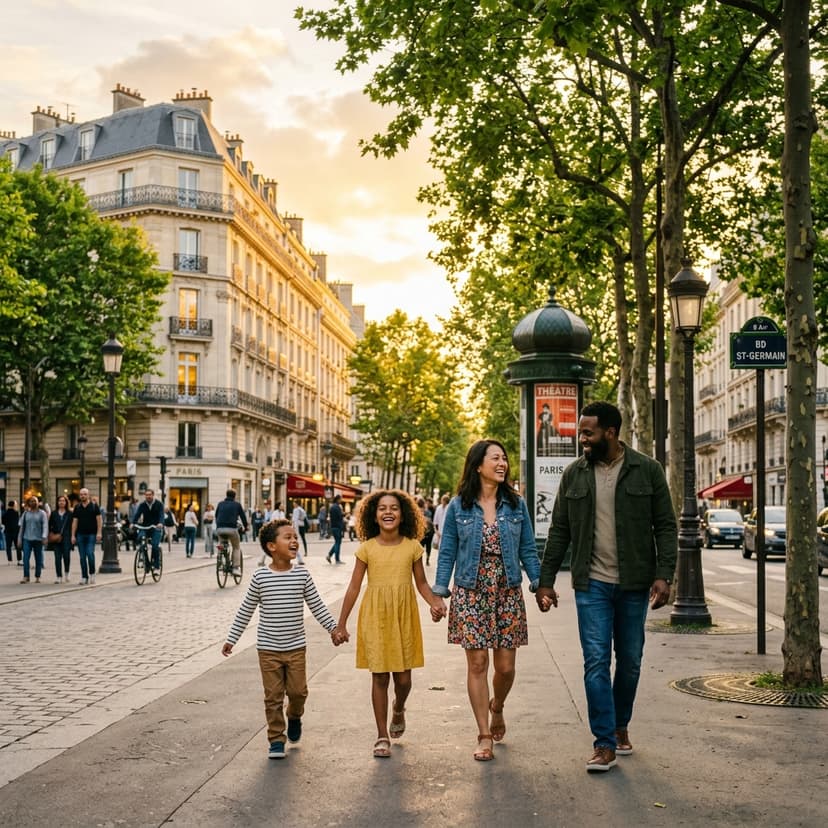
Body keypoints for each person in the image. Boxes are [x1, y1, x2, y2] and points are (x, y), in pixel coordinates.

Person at [536, 401, 677, 773]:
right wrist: (545, 581)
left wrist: (665, 574)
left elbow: (665, 525)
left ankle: (619, 724)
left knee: (629, 662)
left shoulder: (647, 470)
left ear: (610, 433)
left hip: (634, 583)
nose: (581, 438)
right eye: (581, 432)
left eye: (588, 432)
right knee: (596, 660)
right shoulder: (574, 475)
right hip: (591, 584)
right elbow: (559, 531)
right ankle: (603, 742)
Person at [432, 439, 540, 762]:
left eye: (504, 458)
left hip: (506, 590)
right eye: (495, 458)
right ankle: (483, 734)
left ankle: (498, 706)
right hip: (470, 589)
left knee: (505, 668)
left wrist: (539, 583)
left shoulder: (516, 505)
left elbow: (528, 550)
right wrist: (439, 592)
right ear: (478, 465)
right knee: (478, 664)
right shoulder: (458, 506)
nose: (502, 463)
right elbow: (447, 550)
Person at [334, 489, 445, 758]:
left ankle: (399, 707)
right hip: (376, 617)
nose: (388, 512)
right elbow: (353, 587)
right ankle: (382, 734)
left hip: (403, 617)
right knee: (380, 676)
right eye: (382, 508)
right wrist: (341, 624)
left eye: (394, 507)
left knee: (404, 680)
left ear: (403, 513)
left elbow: (421, 583)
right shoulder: (367, 548)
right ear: (373, 514)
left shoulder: (412, 546)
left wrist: (435, 602)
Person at [222, 519, 341, 759]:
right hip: (268, 649)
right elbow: (246, 610)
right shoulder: (260, 577)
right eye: (287, 537)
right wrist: (232, 639)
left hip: (296, 647)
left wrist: (333, 628)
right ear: (271, 546)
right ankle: (276, 739)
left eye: (295, 537)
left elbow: (317, 605)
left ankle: (294, 716)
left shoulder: (302, 575)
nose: (294, 541)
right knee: (273, 696)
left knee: (298, 692)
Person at [71, 487, 102, 585]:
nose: (83, 496)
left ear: (88, 495)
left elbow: (99, 520)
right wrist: (73, 535)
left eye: (84, 494)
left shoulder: (94, 506)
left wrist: (99, 532)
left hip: (91, 534)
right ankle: (84, 576)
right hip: (80, 534)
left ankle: (92, 573)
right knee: (82, 557)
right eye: (81, 494)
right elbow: (75, 522)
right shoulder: (77, 507)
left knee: (89, 553)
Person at [215, 489, 248, 577]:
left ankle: (221, 558)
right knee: (236, 547)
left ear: (226, 495)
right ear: (235, 496)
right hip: (231, 529)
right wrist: (246, 527)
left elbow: (216, 515)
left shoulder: (220, 504)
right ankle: (235, 568)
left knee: (222, 543)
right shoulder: (237, 505)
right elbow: (243, 517)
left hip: (220, 529)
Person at [134, 489, 164, 574]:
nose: (148, 496)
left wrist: (160, 523)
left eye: (150, 495)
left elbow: (161, 515)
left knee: (155, 546)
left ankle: (156, 565)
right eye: (146, 495)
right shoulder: (142, 505)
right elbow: (137, 515)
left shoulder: (159, 504)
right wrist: (133, 523)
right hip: (145, 527)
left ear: (153, 495)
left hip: (156, 527)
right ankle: (147, 564)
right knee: (142, 543)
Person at [19, 495, 48, 583]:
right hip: (27, 538)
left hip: (38, 539)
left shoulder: (42, 513)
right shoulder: (25, 514)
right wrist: (19, 539)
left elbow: (45, 526)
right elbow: (22, 527)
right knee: (25, 558)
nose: (33, 502)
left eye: (35, 501)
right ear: (29, 503)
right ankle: (26, 576)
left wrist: (44, 537)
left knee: (38, 558)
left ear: (38, 503)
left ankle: (38, 576)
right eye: (31, 501)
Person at [48, 494, 73, 583]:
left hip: (67, 538)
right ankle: (59, 576)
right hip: (56, 538)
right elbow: (50, 525)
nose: (61, 502)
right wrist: (51, 534)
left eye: (63, 501)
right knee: (57, 558)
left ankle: (67, 573)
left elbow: (73, 526)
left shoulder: (70, 513)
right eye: (60, 501)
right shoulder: (54, 513)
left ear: (66, 502)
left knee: (66, 556)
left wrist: (73, 537)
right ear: (57, 502)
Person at [326, 495, 344, 564]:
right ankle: (337, 559)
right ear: (338, 499)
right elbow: (340, 516)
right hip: (338, 526)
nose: (341, 500)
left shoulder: (331, 507)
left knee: (337, 542)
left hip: (333, 526)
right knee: (338, 543)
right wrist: (343, 514)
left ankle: (329, 555)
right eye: (340, 499)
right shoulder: (337, 507)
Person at [417, 497, 435, 566]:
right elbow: (431, 521)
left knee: (420, 545)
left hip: (421, 531)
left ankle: (419, 560)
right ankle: (427, 559)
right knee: (428, 545)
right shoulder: (428, 512)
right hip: (429, 531)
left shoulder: (416, 512)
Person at [3, 499, 21, 565]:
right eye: (15, 505)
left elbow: (3, 522)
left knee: (8, 547)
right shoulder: (16, 513)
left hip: (8, 531)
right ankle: (19, 560)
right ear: (13, 505)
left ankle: (9, 560)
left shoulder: (5, 513)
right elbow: (17, 523)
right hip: (15, 532)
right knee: (17, 546)